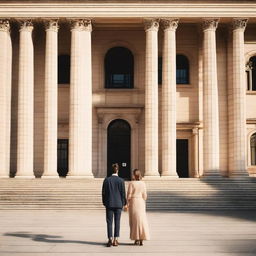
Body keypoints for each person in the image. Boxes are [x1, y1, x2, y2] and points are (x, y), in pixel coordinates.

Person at [102, 163, 127, 247]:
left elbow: (103, 193)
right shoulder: (121, 180)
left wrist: (105, 202)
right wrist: (124, 203)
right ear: (117, 170)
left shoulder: (106, 180)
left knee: (109, 222)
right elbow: (123, 193)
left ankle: (110, 239)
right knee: (117, 222)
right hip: (118, 204)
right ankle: (116, 240)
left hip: (109, 203)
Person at [127, 169, 150, 246]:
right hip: (141, 202)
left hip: (134, 202)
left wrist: (127, 203)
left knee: (134, 221)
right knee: (142, 220)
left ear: (134, 175)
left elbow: (129, 195)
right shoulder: (143, 184)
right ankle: (142, 238)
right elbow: (145, 196)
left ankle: (136, 238)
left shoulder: (131, 183)